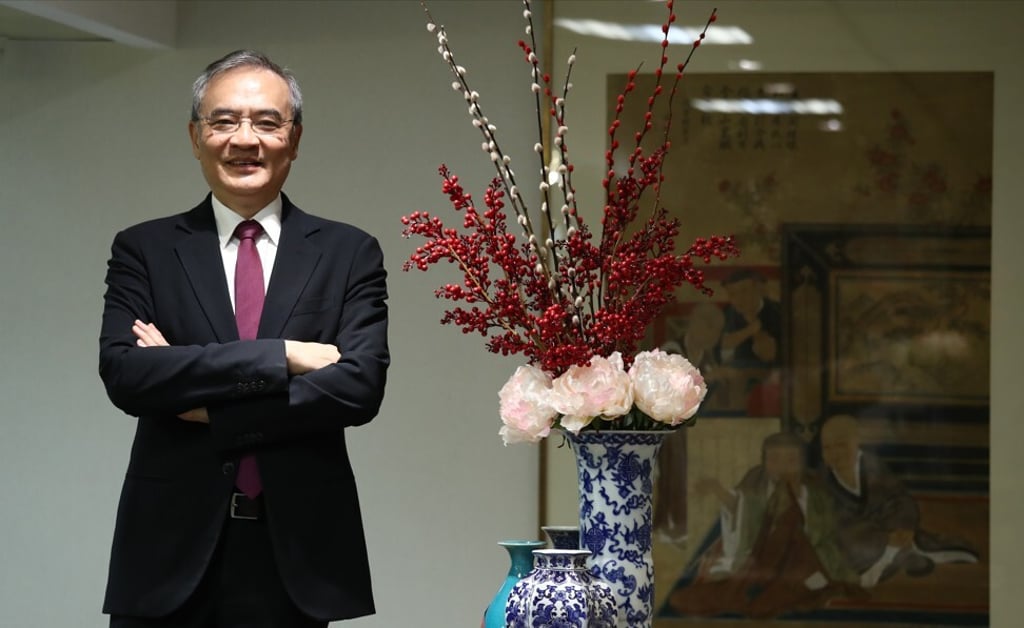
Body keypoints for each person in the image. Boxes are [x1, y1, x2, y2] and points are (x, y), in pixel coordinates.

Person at [98, 50, 390, 627]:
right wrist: (282, 355)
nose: (244, 140)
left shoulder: (348, 252)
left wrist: (208, 405)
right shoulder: (145, 250)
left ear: (295, 138)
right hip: (167, 554)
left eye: (267, 122)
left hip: (298, 557)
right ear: (195, 136)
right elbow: (128, 376)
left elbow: (359, 388)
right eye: (224, 121)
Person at [670, 432, 860, 619]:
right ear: (764, 463)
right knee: (744, 591)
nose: (782, 466)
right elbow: (740, 507)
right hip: (763, 565)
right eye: (774, 459)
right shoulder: (757, 494)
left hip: (805, 564)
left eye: (791, 460)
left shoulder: (818, 498)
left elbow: (828, 537)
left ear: (802, 463)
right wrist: (718, 490)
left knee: (811, 584)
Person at [818, 414, 978, 588]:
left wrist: (902, 526)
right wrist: (883, 538)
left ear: (857, 441)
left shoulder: (872, 465)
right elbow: (835, 520)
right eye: (827, 447)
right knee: (843, 543)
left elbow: (897, 496)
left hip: (886, 525)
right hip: (857, 536)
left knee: (901, 513)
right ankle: (899, 554)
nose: (835, 453)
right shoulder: (824, 478)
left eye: (841, 445)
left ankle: (899, 550)